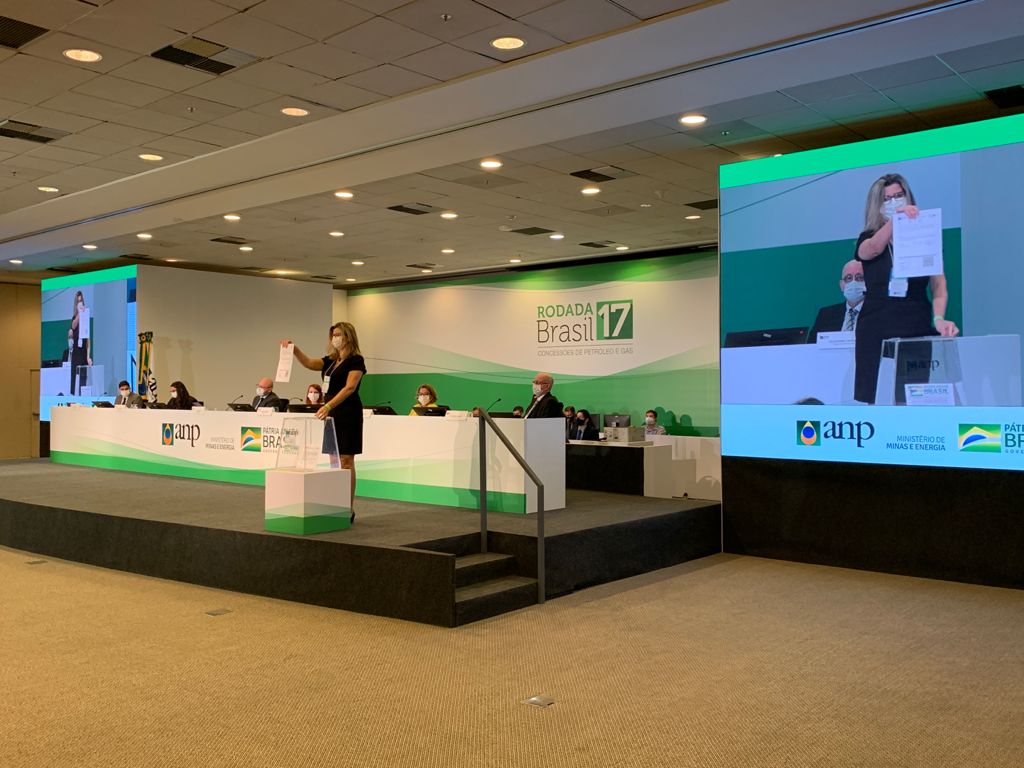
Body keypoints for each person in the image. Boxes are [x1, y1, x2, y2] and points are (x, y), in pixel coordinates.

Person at [853, 173, 959, 403]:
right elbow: (871, 249)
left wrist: (939, 318)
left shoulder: (925, 234)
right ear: (877, 205)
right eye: (887, 199)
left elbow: (938, 283)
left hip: (915, 323)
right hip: (876, 325)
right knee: (876, 397)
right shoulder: (868, 237)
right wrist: (895, 222)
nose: (894, 202)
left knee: (912, 396)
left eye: (899, 195)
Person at [286, 322, 366, 521]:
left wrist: (329, 405)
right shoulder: (331, 360)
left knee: (346, 460)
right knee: (334, 459)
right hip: (330, 414)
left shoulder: (356, 360)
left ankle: (347, 507)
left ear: (348, 336)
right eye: (333, 335)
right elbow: (308, 363)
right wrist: (294, 350)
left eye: (338, 334)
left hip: (347, 412)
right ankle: (335, 502)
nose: (335, 338)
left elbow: (350, 388)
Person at [807, 260, 865, 343]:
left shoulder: (878, 313)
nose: (853, 282)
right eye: (848, 278)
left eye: (859, 278)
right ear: (841, 285)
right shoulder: (826, 315)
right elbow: (812, 345)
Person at [69, 290, 92, 396]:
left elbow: (88, 341)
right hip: (76, 353)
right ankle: (73, 397)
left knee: (83, 378)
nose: (80, 303)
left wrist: (88, 356)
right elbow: (73, 326)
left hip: (83, 353)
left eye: (81, 301)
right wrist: (79, 313)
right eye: (78, 301)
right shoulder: (75, 318)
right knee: (74, 377)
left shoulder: (86, 318)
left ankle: (82, 397)